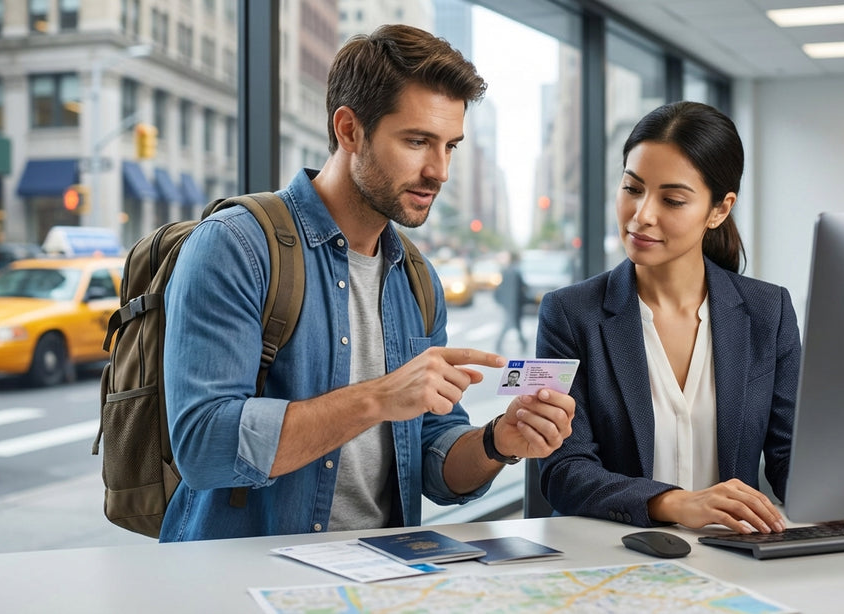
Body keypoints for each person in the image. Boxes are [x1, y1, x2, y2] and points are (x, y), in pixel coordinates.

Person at [160, 24, 574, 542]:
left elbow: (433, 459)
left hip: (382, 577)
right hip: (248, 583)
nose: (439, 170)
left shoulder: (417, 279)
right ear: (349, 130)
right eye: (418, 141)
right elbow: (203, 447)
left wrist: (497, 441)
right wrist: (377, 398)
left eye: (450, 146)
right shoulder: (236, 246)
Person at [535, 101, 844, 535]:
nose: (643, 215)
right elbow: (564, 470)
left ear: (719, 209)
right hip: (614, 554)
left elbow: (787, 455)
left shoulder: (768, 312)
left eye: (672, 199)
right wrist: (675, 503)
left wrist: (841, 493)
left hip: (731, 556)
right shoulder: (571, 314)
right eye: (632, 189)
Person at [494, 251, 527, 354]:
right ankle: (522, 343)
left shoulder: (506, 270)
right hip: (514, 305)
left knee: (513, 325)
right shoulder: (515, 272)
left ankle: (523, 343)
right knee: (511, 324)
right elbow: (520, 289)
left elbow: (501, 288)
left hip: (508, 304)